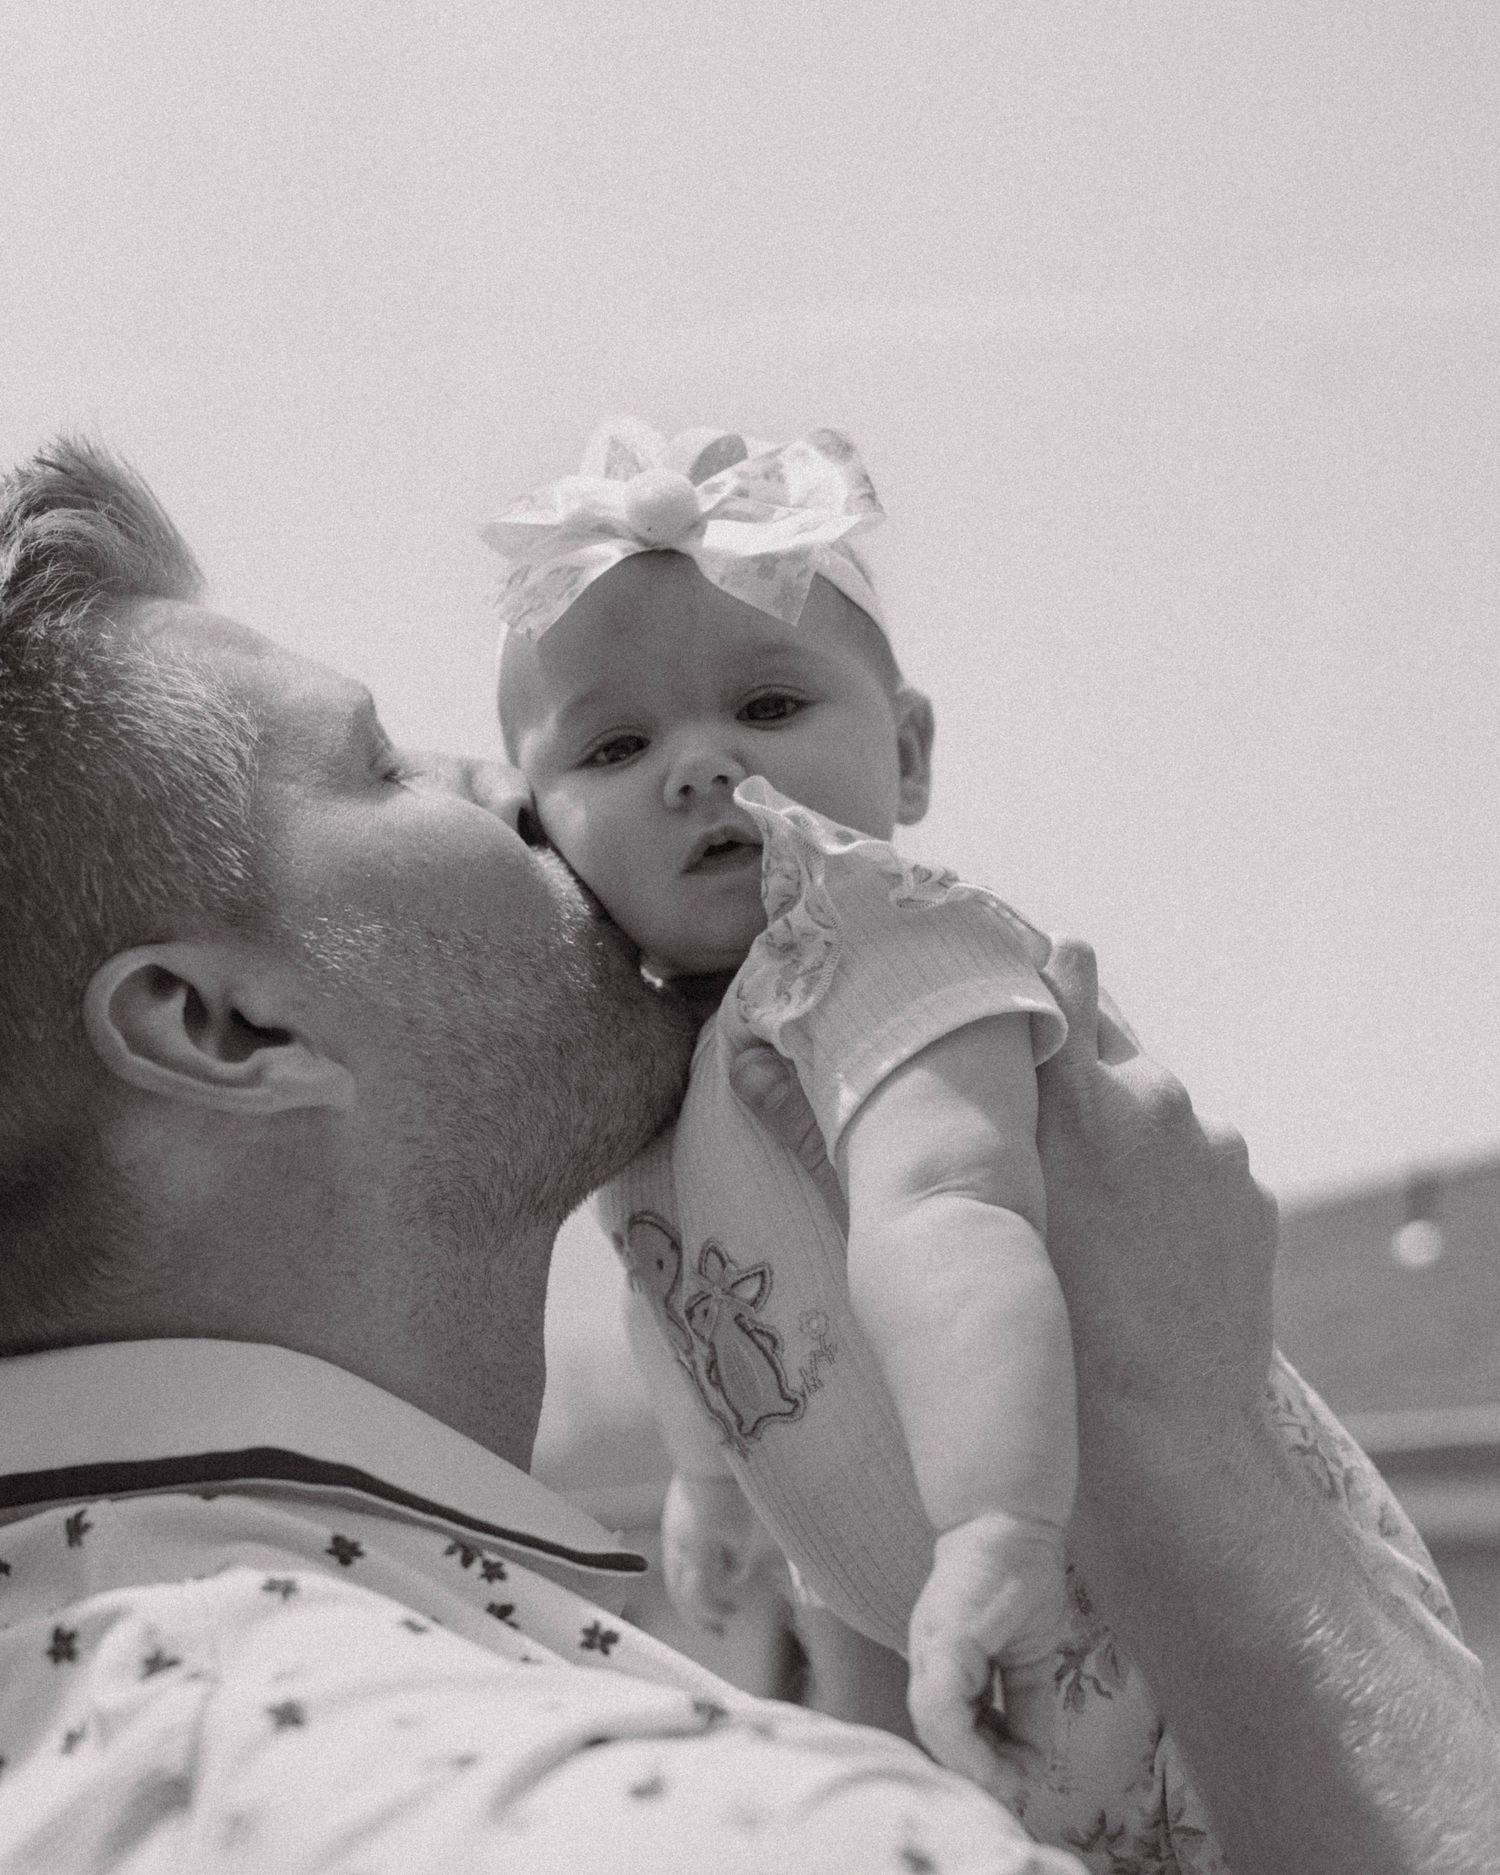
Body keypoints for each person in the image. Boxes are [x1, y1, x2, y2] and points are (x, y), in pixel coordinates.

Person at [0, 437, 1494, 1875]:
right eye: (385, 766)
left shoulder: (113, 1691)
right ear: (221, 1023)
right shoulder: (748, 1832)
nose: (504, 793)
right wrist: (1191, 1435)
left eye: (765, 705)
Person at [488, 418, 1498, 1867]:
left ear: (904, 755)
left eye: (767, 707)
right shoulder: (647, 1078)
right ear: (545, 823)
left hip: (1113, 1588)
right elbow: (680, 1296)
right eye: (617, 744)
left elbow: (946, 1208)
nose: (700, 766)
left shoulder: (869, 943)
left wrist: (996, 1522)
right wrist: (711, 1485)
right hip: (933, 1628)